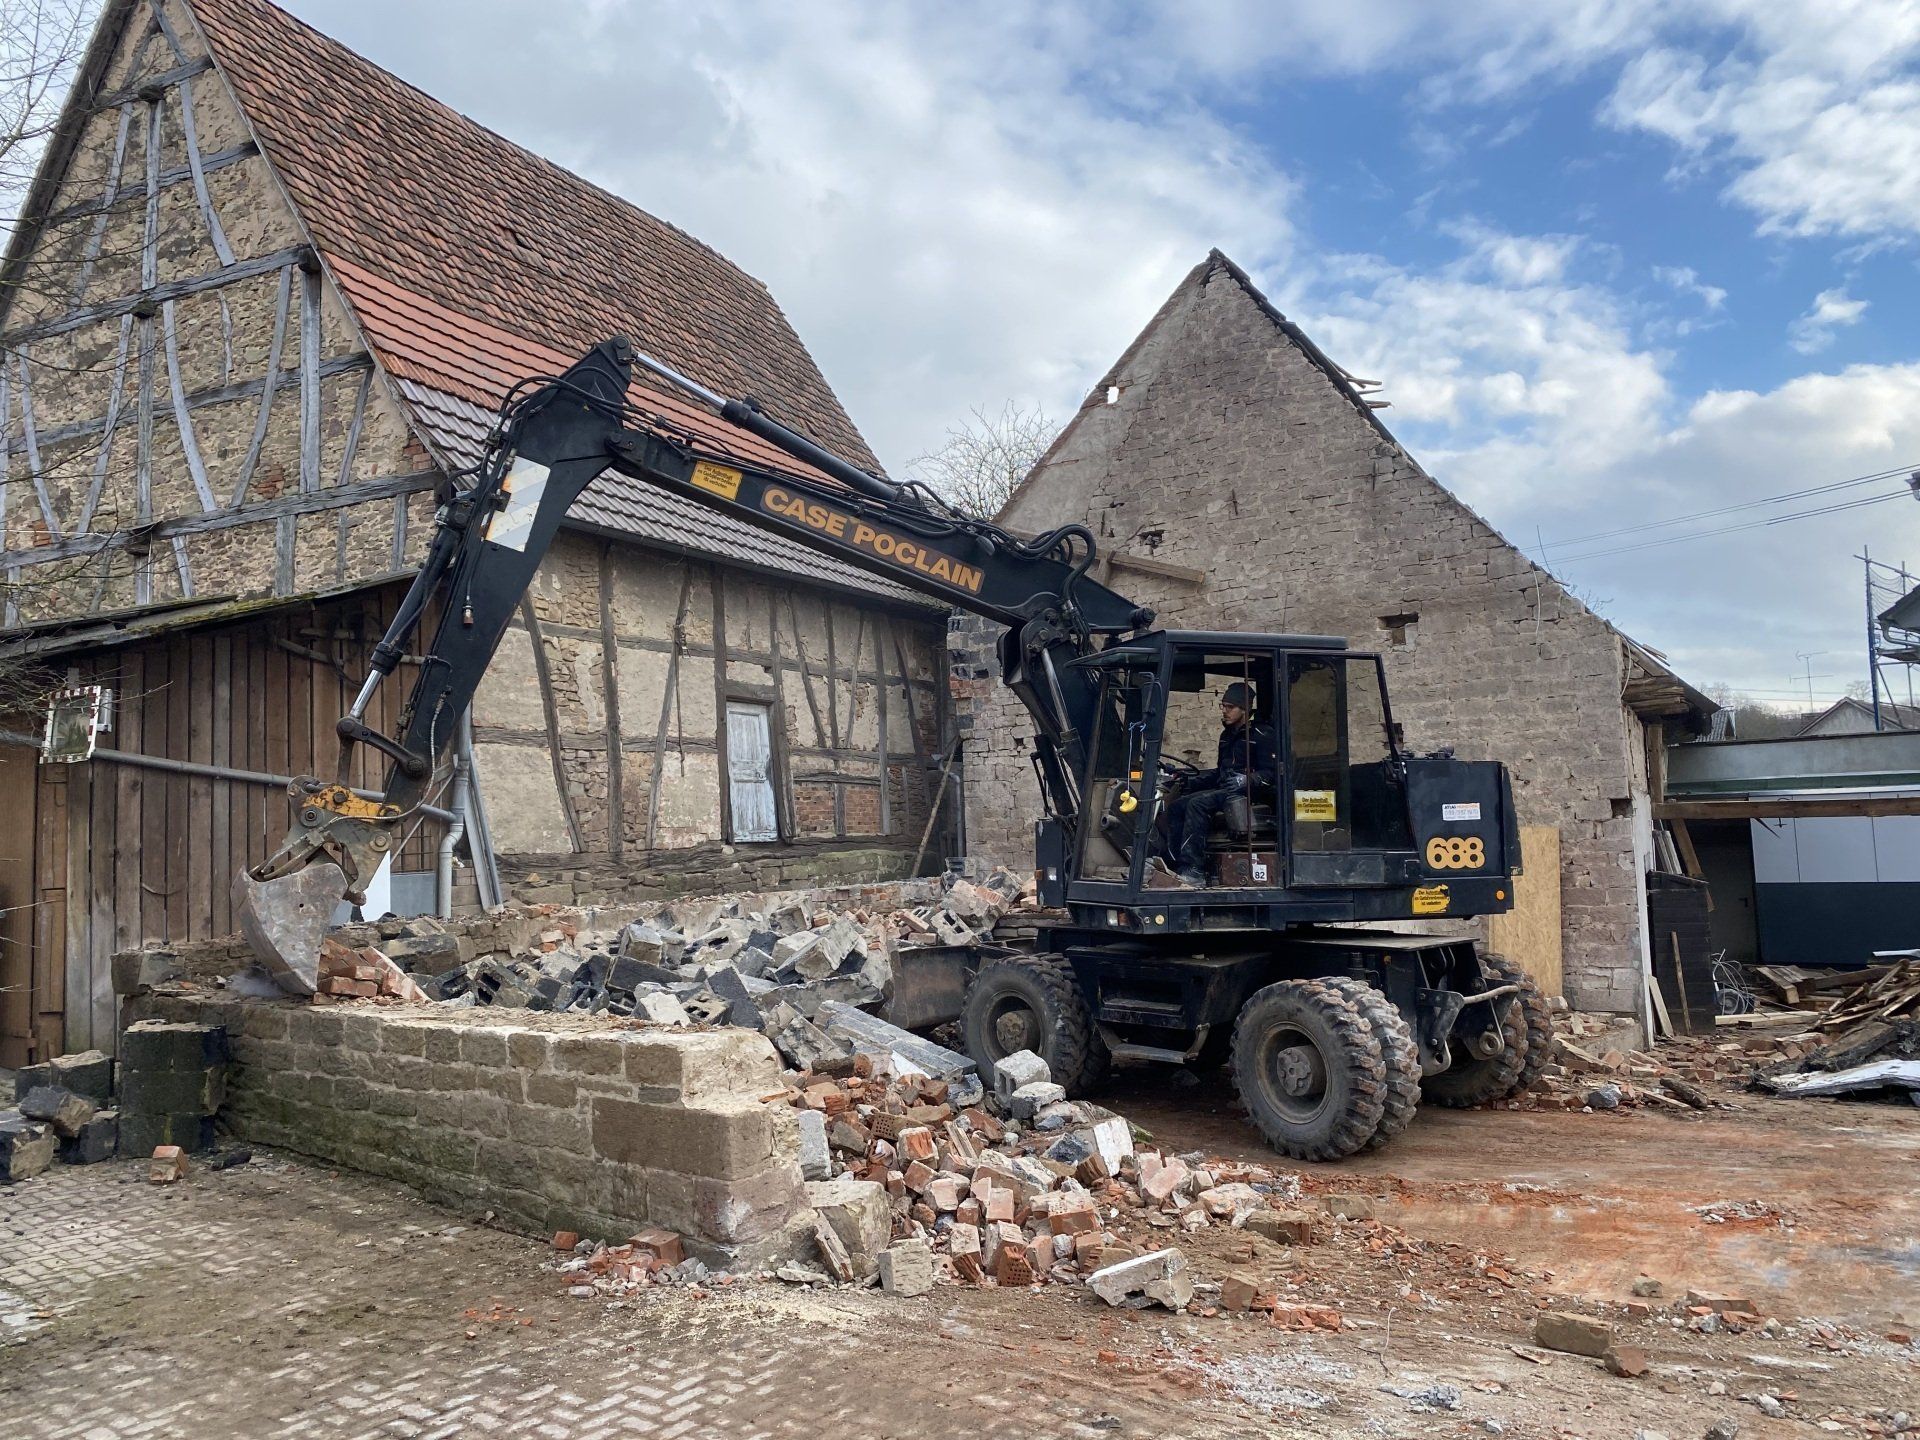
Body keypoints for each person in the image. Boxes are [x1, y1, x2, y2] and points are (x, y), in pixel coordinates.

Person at [1160, 682, 1277, 886]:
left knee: (1198, 804)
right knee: (1177, 806)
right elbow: (1219, 773)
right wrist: (1192, 780)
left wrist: (1246, 780)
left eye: (1230, 707)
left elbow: (1272, 773)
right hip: (1225, 791)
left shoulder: (1261, 735)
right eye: (1223, 705)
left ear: (1245, 709)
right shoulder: (1226, 737)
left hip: (1251, 794)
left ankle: (1194, 869)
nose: (1224, 710)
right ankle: (1175, 865)